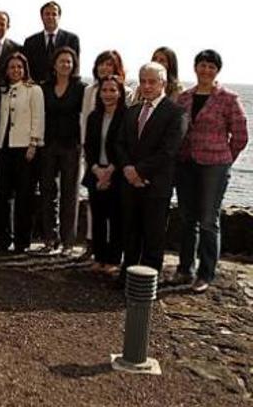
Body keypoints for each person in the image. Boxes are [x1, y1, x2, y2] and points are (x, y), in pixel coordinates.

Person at [173, 50, 248, 293]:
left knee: (208, 220)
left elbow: (240, 135)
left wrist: (225, 159)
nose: (206, 70)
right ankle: (185, 268)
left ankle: (206, 273)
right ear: (195, 68)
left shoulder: (228, 98)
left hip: (214, 166)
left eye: (211, 66)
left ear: (217, 70)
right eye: (202, 65)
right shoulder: (184, 98)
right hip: (186, 164)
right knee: (187, 219)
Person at [116, 62, 186, 281]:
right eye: (143, 81)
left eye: (152, 81)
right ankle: (126, 275)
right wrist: (128, 169)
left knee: (153, 237)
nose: (146, 86)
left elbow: (169, 151)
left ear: (163, 83)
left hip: (156, 185)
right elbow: (119, 143)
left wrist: (140, 172)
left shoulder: (176, 113)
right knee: (130, 232)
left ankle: (147, 284)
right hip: (130, 182)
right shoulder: (133, 111)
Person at [0, 52, 44, 253]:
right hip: (3, 146)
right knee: (2, 195)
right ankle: (3, 239)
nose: (15, 71)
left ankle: (22, 241)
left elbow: (38, 118)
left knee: (25, 196)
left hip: (25, 148)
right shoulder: (2, 90)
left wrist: (33, 144)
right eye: (12, 67)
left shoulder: (34, 90)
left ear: (25, 69)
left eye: (19, 67)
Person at [39, 47, 86, 253]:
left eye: (69, 61)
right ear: (54, 64)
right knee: (48, 192)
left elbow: (85, 117)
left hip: (71, 146)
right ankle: (50, 237)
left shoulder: (81, 88)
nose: (65, 65)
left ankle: (68, 242)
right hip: (48, 144)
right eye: (62, 61)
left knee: (70, 194)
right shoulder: (44, 87)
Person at [82, 76, 127, 273]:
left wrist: (109, 170)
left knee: (116, 219)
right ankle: (99, 257)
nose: (108, 94)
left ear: (120, 93)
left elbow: (126, 147)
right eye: (104, 90)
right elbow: (89, 146)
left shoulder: (126, 116)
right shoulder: (94, 116)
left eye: (112, 90)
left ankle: (114, 259)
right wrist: (96, 169)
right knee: (98, 218)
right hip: (96, 171)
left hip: (116, 173)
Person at [22, 1, 81, 84]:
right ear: (42, 17)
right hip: (38, 88)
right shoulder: (30, 42)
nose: (50, 17)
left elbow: (75, 67)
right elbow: (27, 69)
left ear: (59, 17)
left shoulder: (71, 40)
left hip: (63, 88)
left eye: (54, 14)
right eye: (47, 14)